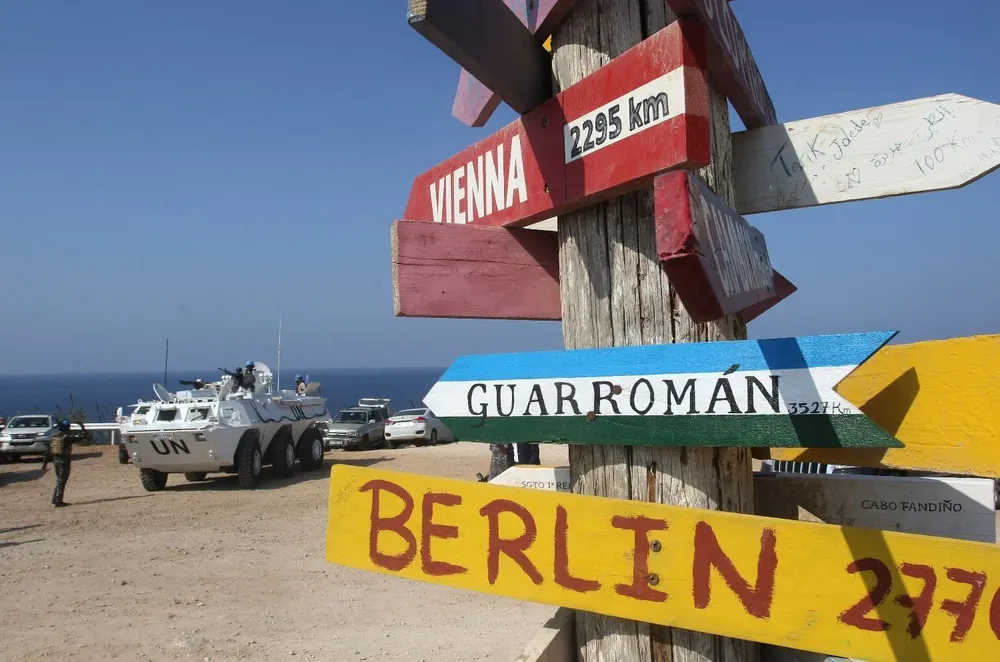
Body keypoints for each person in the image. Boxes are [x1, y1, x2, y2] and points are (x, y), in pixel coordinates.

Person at [50, 418, 85, 507]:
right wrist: (82, 427)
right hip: (64, 460)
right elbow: (82, 437)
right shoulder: (67, 438)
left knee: (59, 479)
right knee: (62, 480)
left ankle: (55, 498)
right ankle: (58, 500)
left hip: (55, 459)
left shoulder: (54, 436)